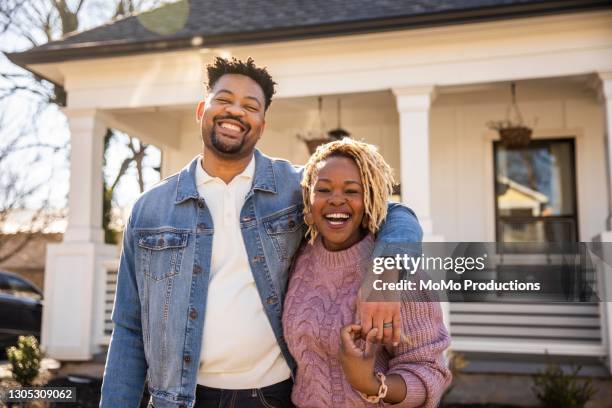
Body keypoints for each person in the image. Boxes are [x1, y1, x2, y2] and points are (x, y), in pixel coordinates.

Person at [100, 57, 423, 408]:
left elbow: (396, 213)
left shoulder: (296, 187)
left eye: (250, 106)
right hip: (179, 400)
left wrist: (384, 275)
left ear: (262, 124)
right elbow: (130, 331)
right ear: (201, 110)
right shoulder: (150, 209)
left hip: (274, 396)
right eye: (223, 100)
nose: (235, 112)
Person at [283, 139, 451, 407]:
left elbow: (430, 372)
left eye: (352, 191)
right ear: (308, 198)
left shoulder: (397, 271)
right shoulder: (298, 256)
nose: (336, 199)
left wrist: (369, 383)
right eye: (323, 189)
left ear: (370, 198)